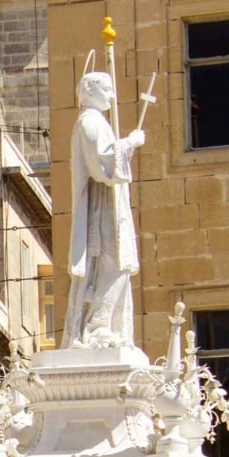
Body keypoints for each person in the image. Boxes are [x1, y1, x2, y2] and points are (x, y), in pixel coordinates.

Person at [64, 69, 146, 349]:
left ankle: (105, 326)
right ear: (89, 91)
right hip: (101, 209)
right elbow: (102, 165)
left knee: (117, 264)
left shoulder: (97, 122)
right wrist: (130, 142)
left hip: (109, 205)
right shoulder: (89, 123)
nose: (112, 95)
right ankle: (97, 327)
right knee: (114, 264)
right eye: (107, 89)